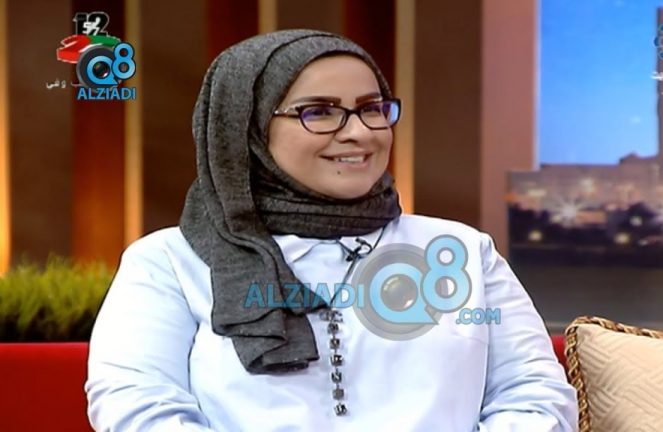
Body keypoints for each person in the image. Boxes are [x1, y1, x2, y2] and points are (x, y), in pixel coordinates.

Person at [85, 29, 577, 431]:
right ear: (248, 130)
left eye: (372, 107)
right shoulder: (169, 262)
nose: (359, 132)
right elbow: (137, 407)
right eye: (318, 111)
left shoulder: (462, 251)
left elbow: (534, 396)